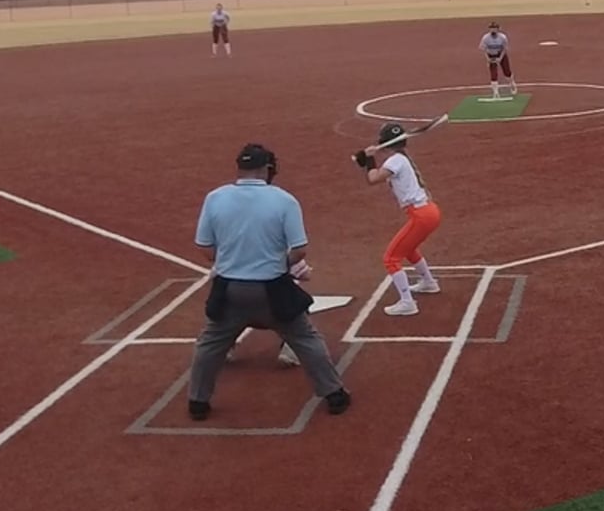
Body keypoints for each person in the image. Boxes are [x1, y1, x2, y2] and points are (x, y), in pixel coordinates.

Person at [189, 143, 349, 420]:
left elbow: (205, 247)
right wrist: (280, 264)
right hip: (272, 289)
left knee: (210, 343)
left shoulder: (215, 198)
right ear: (267, 169)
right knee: (305, 338)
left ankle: (197, 401)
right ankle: (334, 394)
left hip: (228, 288)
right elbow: (299, 249)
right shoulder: (284, 200)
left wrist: (230, 261)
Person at [354, 123, 443, 318]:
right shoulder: (401, 159)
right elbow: (373, 175)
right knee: (408, 249)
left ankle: (407, 302)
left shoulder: (395, 161)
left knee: (391, 258)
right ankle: (429, 282)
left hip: (421, 215)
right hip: (428, 212)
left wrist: (369, 159)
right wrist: (366, 161)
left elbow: (373, 179)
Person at [480, 22, 516, 99]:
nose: (493, 30)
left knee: (507, 71)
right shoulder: (485, 38)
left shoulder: (502, 37)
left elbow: (504, 49)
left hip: (501, 54)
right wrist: (488, 59)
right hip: (491, 55)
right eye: (491, 28)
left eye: (494, 28)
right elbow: (484, 49)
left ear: (498, 29)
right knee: (493, 74)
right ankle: (495, 92)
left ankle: (512, 83)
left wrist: (500, 58)